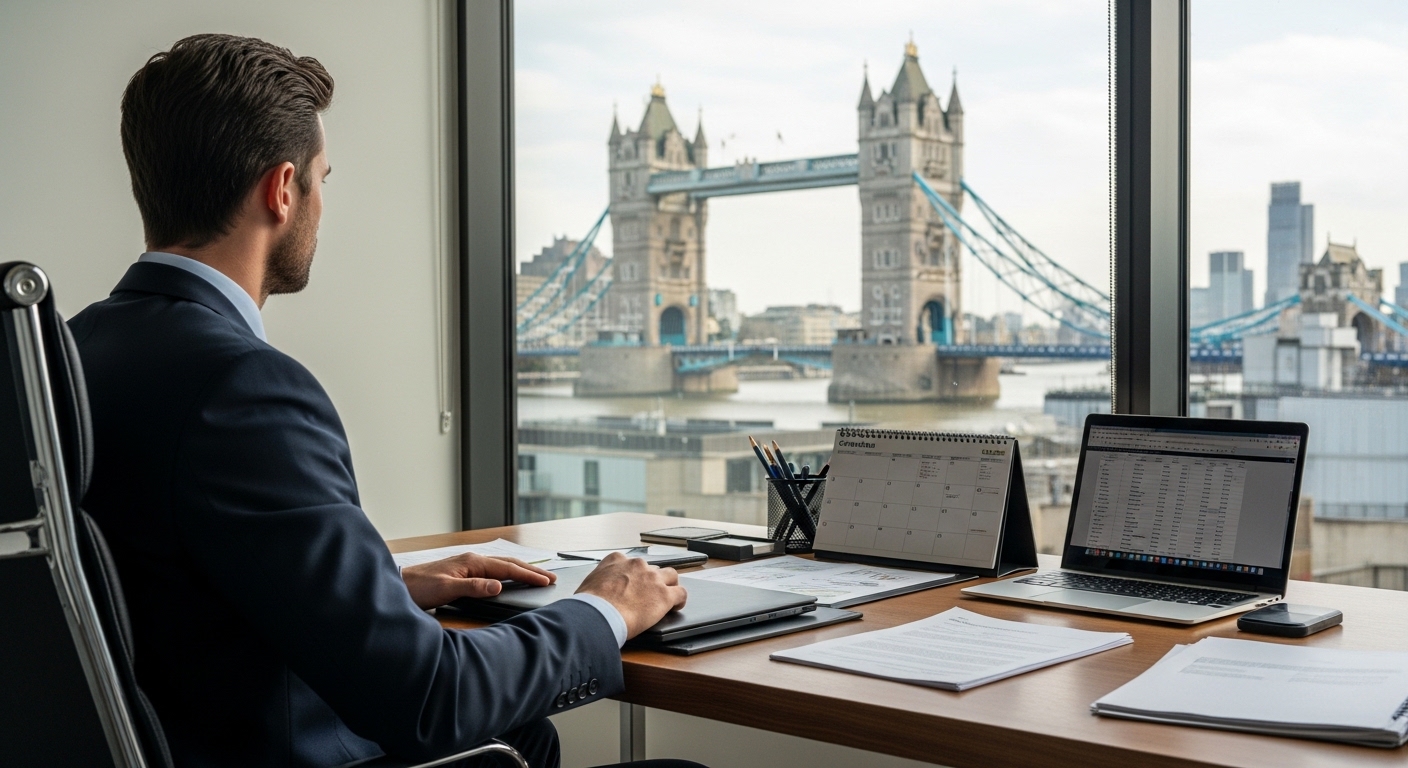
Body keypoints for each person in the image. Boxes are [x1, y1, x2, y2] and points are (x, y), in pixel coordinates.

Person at [70, 33, 699, 768]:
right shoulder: (243, 386)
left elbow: (160, 585)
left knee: (529, 737)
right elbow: (433, 701)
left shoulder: (75, 351)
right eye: (321, 179)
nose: (321, 203)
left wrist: (381, 590)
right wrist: (604, 611)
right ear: (281, 190)